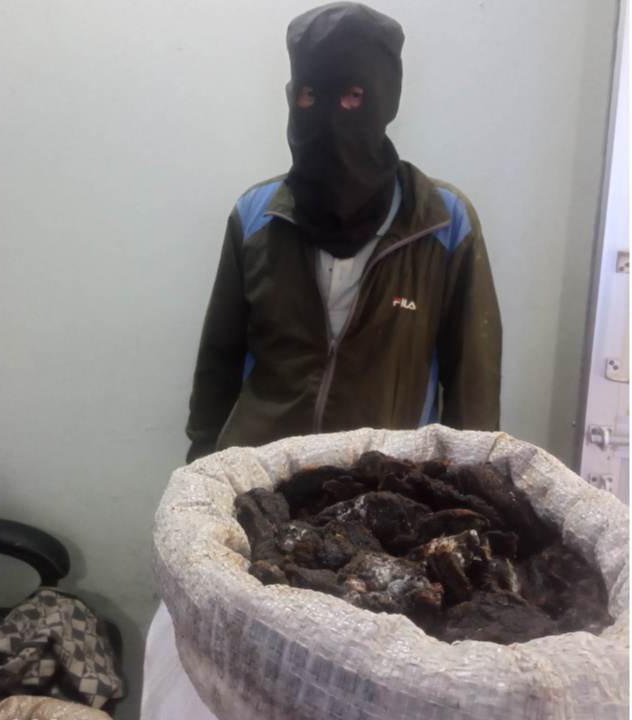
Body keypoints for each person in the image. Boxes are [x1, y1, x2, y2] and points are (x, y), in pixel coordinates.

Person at [185, 1, 502, 464]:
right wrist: (202, 463)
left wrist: (466, 483)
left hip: (384, 483)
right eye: (310, 95)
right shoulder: (256, 216)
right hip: (262, 477)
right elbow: (219, 359)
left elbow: (472, 383)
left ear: (385, 100)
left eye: (353, 96)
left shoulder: (442, 223)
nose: (330, 117)